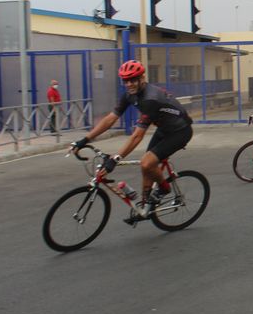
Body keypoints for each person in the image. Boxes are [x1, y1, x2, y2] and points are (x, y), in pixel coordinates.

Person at [69, 60, 193, 218]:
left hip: (180, 131)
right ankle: (145, 205)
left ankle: (164, 189)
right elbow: (110, 119)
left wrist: (115, 159)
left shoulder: (150, 99)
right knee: (146, 166)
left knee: (147, 162)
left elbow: (137, 136)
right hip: (164, 128)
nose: (129, 84)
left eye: (133, 79)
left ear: (142, 78)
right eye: (125, 80)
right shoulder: (129, 95)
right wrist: (84, 140)